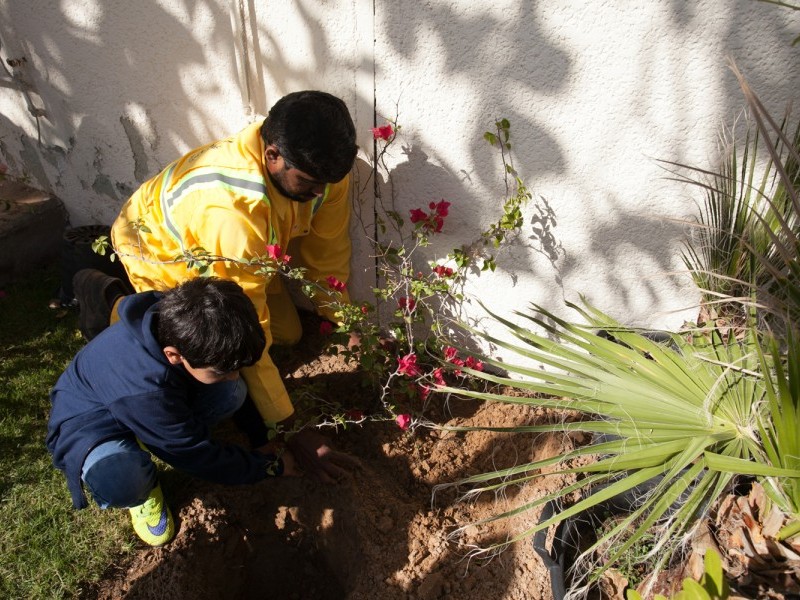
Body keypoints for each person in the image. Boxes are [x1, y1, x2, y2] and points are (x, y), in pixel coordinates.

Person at [100, 90, 359, 480]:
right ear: (272, 155)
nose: (320, 193)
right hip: (161, 253)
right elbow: (245, 327)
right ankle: (117, 307)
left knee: (288, 335)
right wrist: (287, 427)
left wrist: (344, 320)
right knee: (219, 371)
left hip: (243, 256)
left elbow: (327, 253)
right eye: (309, 182)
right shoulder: (231, 214)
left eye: (326, 183)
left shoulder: (320, 169)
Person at [46, 277, 298, 546]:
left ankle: (156, 432)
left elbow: (231, 376)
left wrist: (260, 436)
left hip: (142, 401)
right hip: (94, 422)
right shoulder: (146, 389)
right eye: (222, 370)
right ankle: (143, 487)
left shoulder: (182, 317)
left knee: (232, 391)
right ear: (174, 355)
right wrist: (269, 467)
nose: (234, 374)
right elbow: (193, 455)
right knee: (119, 480)